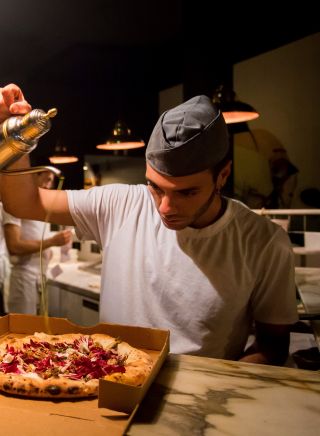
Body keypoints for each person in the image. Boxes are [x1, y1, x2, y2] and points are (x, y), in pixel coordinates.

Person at [0, 84, 298, 365]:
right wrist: (11, 136)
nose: (165, 208)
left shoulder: (263, 242)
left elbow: (272, 347)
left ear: (223, 175)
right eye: (155, 187)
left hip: (199, 402)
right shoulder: (120, 204)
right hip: (112, 384)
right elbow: (25, 203)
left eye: (187, 192)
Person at [2, 168, 73, 314]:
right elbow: (14, 246)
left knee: (38, 330)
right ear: (33, 176)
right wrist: (52, 242)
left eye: (51, 181)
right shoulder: (14, 204)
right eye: (47, 179)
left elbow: (35, 237)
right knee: (22, 331)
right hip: (23, 279)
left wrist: (48, 251)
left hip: (40, 278)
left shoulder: (40, 207)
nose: (49, 185)